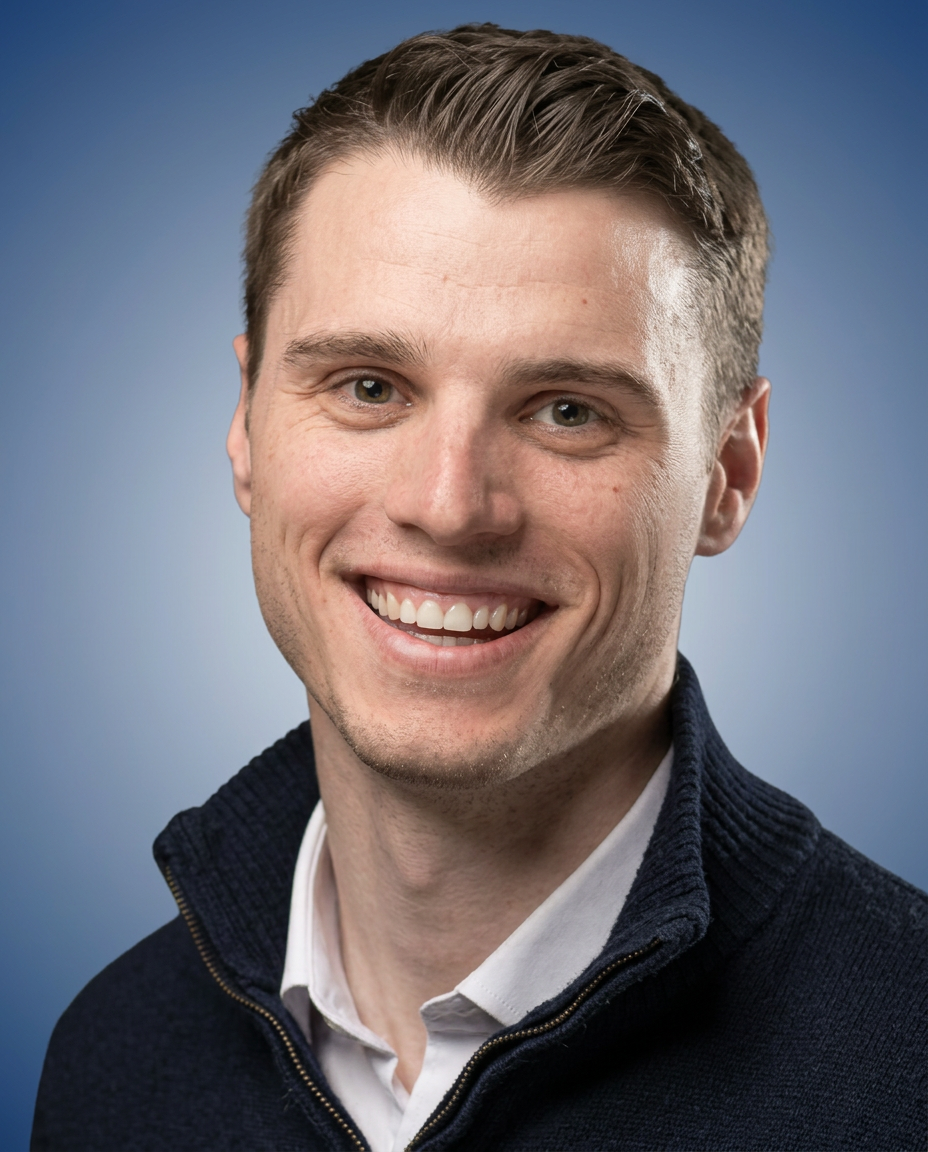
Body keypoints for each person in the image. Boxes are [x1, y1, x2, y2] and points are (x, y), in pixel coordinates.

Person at [32, 23, 925, 1152]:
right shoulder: (114, 1059)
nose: (449, 507)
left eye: (567, 410)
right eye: (368, 386)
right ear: (247, 423)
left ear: (727, 472)